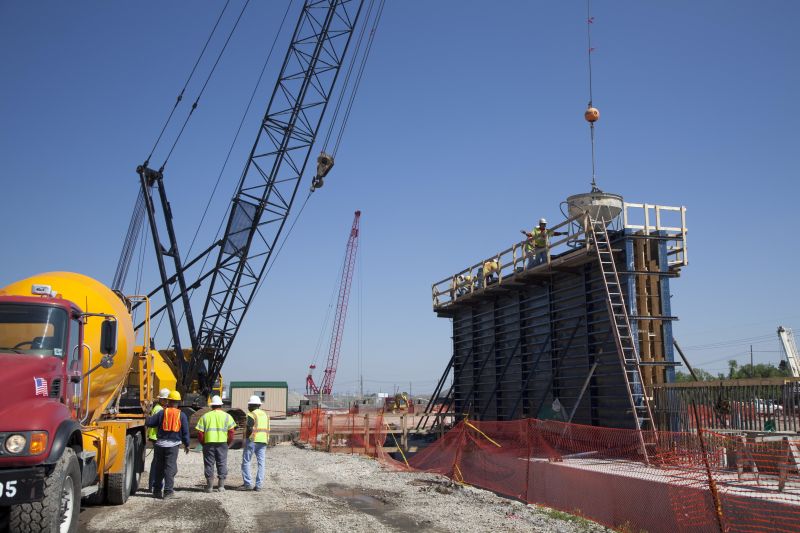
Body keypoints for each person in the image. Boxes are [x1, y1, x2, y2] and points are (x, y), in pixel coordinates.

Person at [145, 390, 190, 499]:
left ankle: (156, 491)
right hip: (173, 445)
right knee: (169, 468)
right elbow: (185, 431)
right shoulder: (181, 415)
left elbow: (150, 423)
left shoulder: (162, 413)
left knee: (159, 467)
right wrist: (187, 444)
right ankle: (168, 492)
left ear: (168, 401)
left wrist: (146, 413)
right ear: (178, 402)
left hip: (160, 444)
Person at [196, 395, 236, 493]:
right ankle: (221, 486)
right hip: (222, 443)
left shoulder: (205, 416)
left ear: (211, 406)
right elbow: (231, 432)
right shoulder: (227, 416)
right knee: (222, 463)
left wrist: (203, 443)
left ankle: (209, 487)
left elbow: (200, 433)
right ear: (221, 405)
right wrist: (228, 443)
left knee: (209, 464)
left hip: (208, 443)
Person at [241, 395, 270, 491]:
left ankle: (248, 483)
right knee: (261, 463)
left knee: (246, 461)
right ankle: (259, 485)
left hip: (252, 440)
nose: (248, 407)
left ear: (252, 405)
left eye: (249, 405)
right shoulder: (265, 415)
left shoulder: (251, 414)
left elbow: (249, 428)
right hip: (263, 440)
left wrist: (246, 439)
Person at [146, 388, 171, 492]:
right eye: (166, 399)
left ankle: (152, 484)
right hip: (156, 437)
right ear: (162, 400)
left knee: (156, 462)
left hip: (155, 436)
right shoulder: (160, 410)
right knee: (157, 463)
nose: (167, 401)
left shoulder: (158, 408)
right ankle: (152, 485)